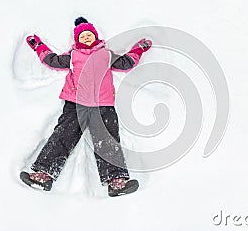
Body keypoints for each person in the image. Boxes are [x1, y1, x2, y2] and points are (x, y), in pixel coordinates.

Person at [20, 16, 152, 197]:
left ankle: (117, 181)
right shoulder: (73, 56)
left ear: (96, 36)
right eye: (82, 36)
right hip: (75, 105)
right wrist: (38, 46)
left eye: (89, 34)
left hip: (102, 105)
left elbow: (127, 62)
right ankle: (43, 174)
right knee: (62, 136)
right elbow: (52, 60)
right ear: (77, 40)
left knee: (107, 140)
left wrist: (139, 48)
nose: (86, 37)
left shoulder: (106, 54)